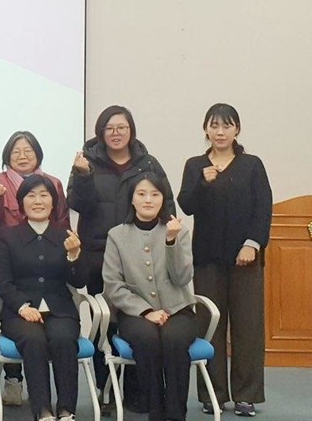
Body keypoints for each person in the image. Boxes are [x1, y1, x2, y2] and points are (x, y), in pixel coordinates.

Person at [66, 104, 175, 410]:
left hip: (142, 257)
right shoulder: (86, 161)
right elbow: (77, 203)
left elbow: (165, 205)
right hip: (99, 255)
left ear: (131, 130)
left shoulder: (148, 163)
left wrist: (170, 244)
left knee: (139, 320)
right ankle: (106, 390)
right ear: (101, 132)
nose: (116, 133)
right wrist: (83, 175)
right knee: (106, 323)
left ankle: (138, 392)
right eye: (109, 128)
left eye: (121, 127)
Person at [178, 103, 272, 417]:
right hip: (207, 258)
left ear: (237, 130)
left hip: (245, 259)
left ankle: (247, 395)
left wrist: (252, 244)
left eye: (227, 126)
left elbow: (263, 208)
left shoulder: (252, 165)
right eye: (214, 126)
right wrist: (203, 183)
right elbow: (186, 204)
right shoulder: (195, 165)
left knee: (248, 326)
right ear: (206, 129)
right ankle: (212, 394)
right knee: (209, 324)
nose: (220, 132)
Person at [0, 130, 71, 406]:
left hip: (49, 260)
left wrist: (68, 249)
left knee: (59, 333)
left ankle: (63, 408)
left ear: (38, 154)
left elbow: (62, 220)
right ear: (7, 155)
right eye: (16, 151)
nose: (22, 156)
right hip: (12, 259)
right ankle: (15, 381)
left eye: (28, 151)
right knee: (24, 328)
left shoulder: (53, 183)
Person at [103, 173, 197, 421]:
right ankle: (155, 410)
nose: (148, 200)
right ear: (131, 199)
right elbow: (113, 285)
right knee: (146, 338)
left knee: (174, 339)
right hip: (135, 313)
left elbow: (182, 278)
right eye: (141, 194)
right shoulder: (117, 235)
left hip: (177, 310)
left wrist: (171, 241)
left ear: (163, 199)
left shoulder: (178, 231)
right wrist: (146, 311)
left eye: (155, 194)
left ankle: (176, 414)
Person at [0, 174, 86, 421]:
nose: (37, 201)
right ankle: (42, 410)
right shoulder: (7, 236)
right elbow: (2, 281)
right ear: (21, 203)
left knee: (63, 338)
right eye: (31, 196)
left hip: (60, 310)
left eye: (44, 195)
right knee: (34, 340)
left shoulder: (65, 235)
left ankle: (66, 410)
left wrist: (74, 255)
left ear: (53, 203)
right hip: (19, 313)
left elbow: (79, 281)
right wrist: (22, 306)